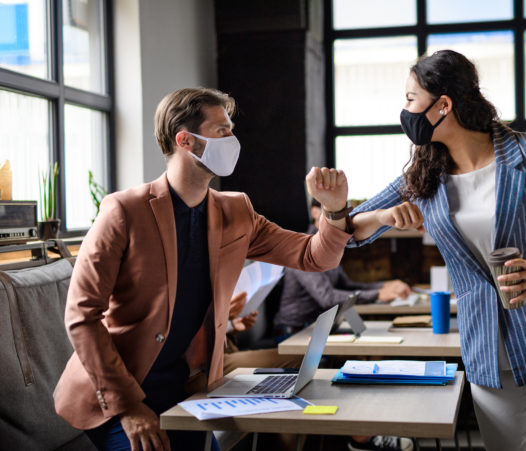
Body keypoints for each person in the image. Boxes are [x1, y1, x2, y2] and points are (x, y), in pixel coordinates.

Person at [53, 87, 353, 451]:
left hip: (189, 389)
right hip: (118, 396)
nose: (233, 140)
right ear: (186, 141)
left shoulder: (236, 210)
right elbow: (81, 315)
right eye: (221, 131)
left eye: (231, 129)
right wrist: (130, 406)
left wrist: (334, 211)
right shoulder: (123, 211)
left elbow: (313, 256)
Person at [347, 50, 526, 451]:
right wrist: (384, 216)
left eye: (409, 99)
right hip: (487, 345)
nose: (404, 111)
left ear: (443, 105)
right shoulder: (425, 175)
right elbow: (349, 230)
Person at [273, 199, 411, 339]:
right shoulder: (303, 250)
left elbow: (346, 285)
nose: (340, 219)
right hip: (293, 332)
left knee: (369, 339)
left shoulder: (328, 246)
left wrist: (385, 285)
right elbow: (327, 297)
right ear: (315, 212)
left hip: (318, 327)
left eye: (342, 213)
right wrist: (378, 294)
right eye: (332, 212)